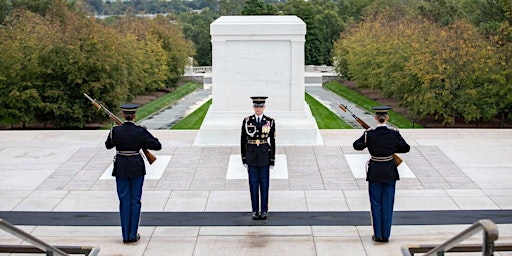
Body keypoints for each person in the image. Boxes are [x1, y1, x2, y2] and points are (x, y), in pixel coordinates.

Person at [105, 103, 162, 243]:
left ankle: (125, 236)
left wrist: (117, 132)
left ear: (123, 115)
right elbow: (157, 145)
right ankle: (132, 234)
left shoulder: (115, 130)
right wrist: (142, 142)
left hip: (121, 167)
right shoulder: (140, 131)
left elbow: (108, 145)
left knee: (124, 200)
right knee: (135, 201)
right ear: (134, 116)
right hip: (136, 166)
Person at [353, 106, 410, 242]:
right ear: (387, 118)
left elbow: (357, 145)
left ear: (375, 118)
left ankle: (378, 234)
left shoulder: (369, 134)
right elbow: (405, 148)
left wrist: (367, 138)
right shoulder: (394, 134)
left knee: (376, 203)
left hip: (375, 172)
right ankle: (386, 235)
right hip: (390, 171)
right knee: (387, 203)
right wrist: (391, 147)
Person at [240, 96, 276, 220]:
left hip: (264, 155)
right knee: (253, 185)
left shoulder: (269, 121)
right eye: (256, 106)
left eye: (260, 106)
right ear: (253, 107)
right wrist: (244, 158)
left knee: (264, 185)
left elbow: (273, 141)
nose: (258, 109)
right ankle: (255, 210)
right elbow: (243, 140)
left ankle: (264, 210)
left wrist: (272, 159)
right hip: (251, 156)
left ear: (264, 107)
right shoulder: (247, 121)